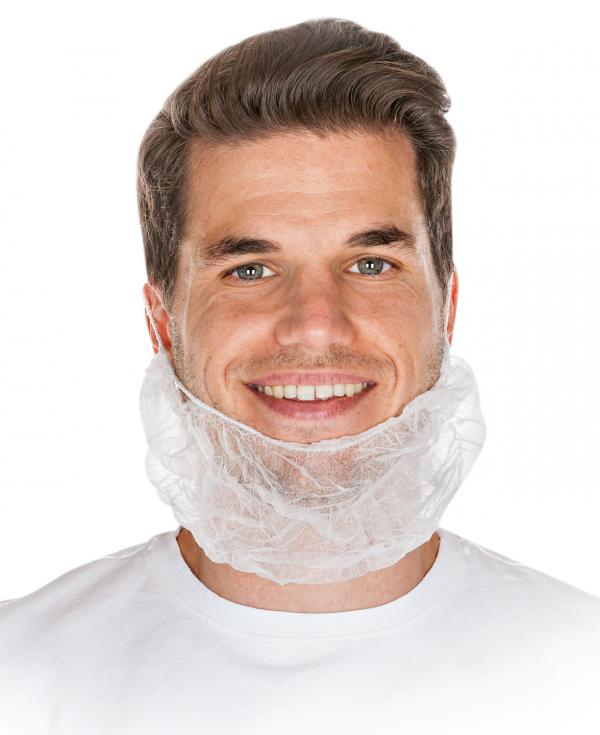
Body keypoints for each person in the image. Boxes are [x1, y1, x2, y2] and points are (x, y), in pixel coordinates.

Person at [1, 17, 598, 735]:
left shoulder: (580, 673)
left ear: (446, 307)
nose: (316, 325)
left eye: (370, 264)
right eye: (250, 270)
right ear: (162, 324)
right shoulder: (21, 677)